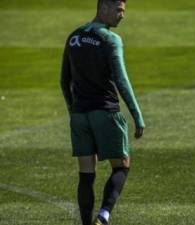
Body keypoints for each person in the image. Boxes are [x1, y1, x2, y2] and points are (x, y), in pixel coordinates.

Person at [60, 0, 145, 224]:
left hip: (79, 116)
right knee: (122, 166)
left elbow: (63, 80)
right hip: (105, 113)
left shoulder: (74, 37)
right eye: (118, 10)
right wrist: (137, 115)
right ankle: (103, 217)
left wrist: (73, 110)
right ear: (103, 8)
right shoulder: (110, 39)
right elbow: (121, 80)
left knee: (86, 174)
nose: (122, 15)